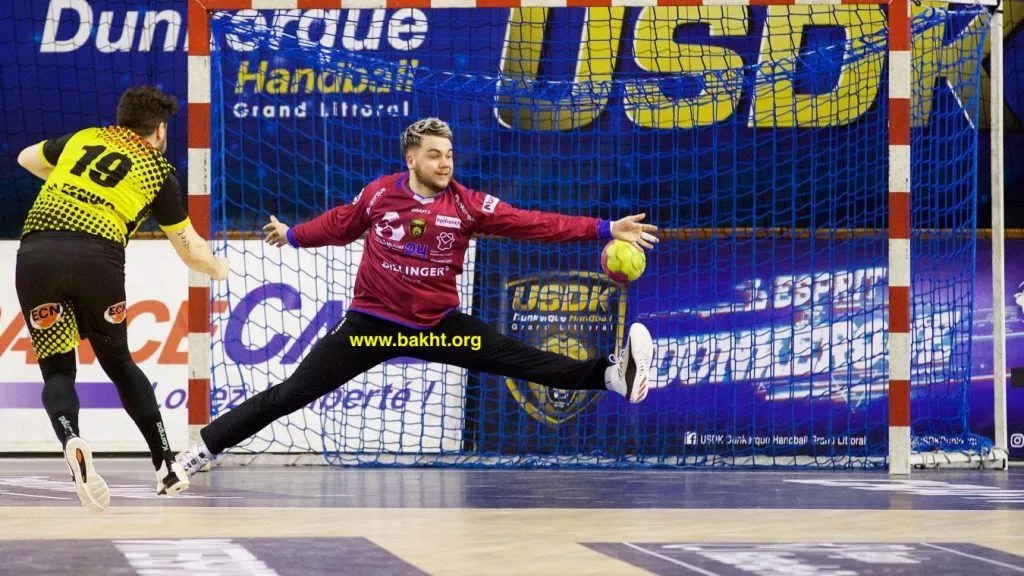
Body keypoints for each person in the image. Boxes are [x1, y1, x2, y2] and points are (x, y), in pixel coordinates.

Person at [175, 117, 658, 475]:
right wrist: (295, 235)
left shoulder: (468, 205)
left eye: (448, 154)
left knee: (521, 359)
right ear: (411, 160)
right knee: (293, 393)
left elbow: (533, 223)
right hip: (371, 328)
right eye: (434, 155)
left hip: (438, 329)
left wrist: (603, 228)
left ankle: (610, 375)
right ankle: (203, 449)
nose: (444, 163)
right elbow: (341, 223)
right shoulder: (380, 194)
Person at [15, 86, 230, 512]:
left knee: (57, 370)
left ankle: (70, 437)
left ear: (122, 118)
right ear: (160, 130)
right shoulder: (157, 171)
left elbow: (26, 158)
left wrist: (71, 184)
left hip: (36, 255)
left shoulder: (85, 138)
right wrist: (218, 268)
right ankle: (166, 466)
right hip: (97, 260)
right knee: (119, 363)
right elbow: (189, 249)